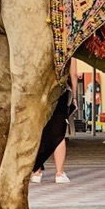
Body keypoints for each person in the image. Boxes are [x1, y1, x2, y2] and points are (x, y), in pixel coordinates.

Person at [32, 57, 81, 186]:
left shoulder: (41, 45)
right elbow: (74, 74)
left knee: (40, 130)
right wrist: (74, 96)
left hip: (42, 91)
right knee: (58, 133)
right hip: (61, 91)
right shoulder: (67, 45)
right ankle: (59, 173)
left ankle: (36, 171)